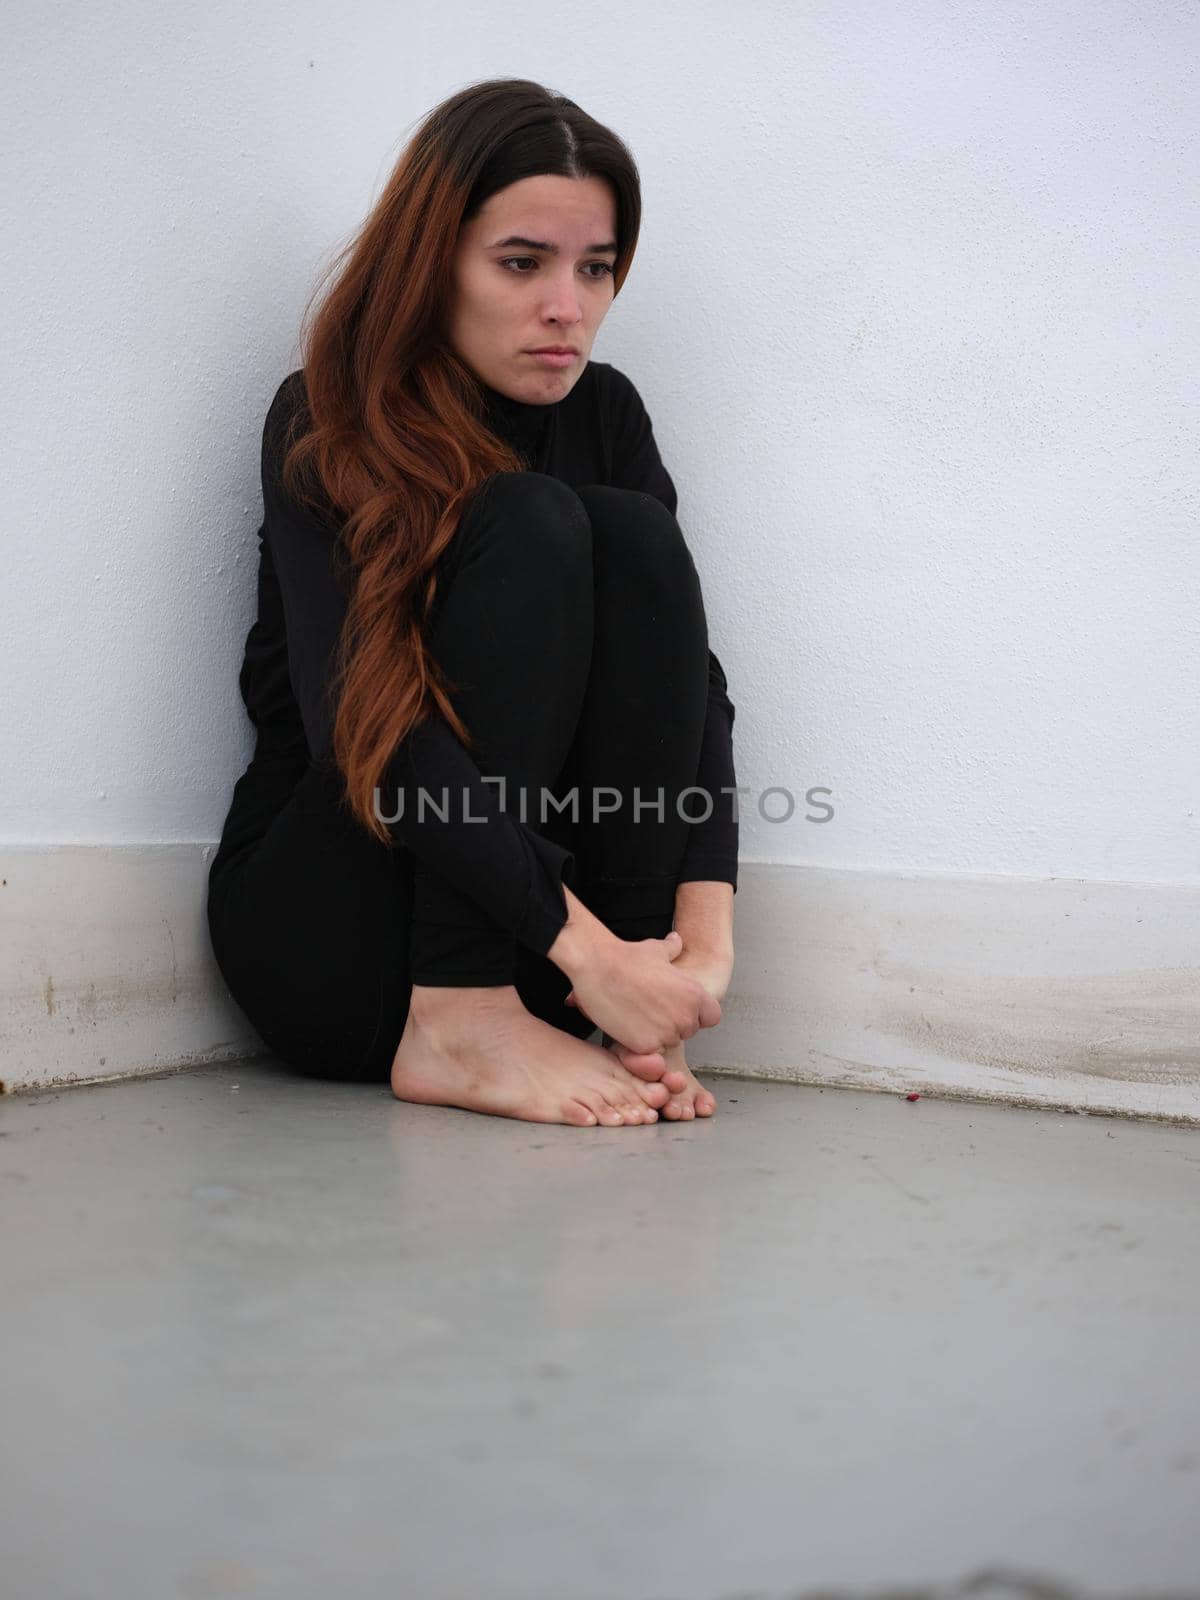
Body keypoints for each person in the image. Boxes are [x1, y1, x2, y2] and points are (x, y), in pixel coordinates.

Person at [207, 77, 739, 1128]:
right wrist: (579, 949)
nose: (567, 307)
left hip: (541, 949)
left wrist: (694, 931)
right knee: (533, 522)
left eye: (596, 269)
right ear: (432, 261)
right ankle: (466, 1017)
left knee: (633, 537)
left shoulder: (607, 412)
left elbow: (692, 681)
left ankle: (618, 1009)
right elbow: (365, 731)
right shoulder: (328, 414)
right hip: (332, 941)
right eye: (521, 263)